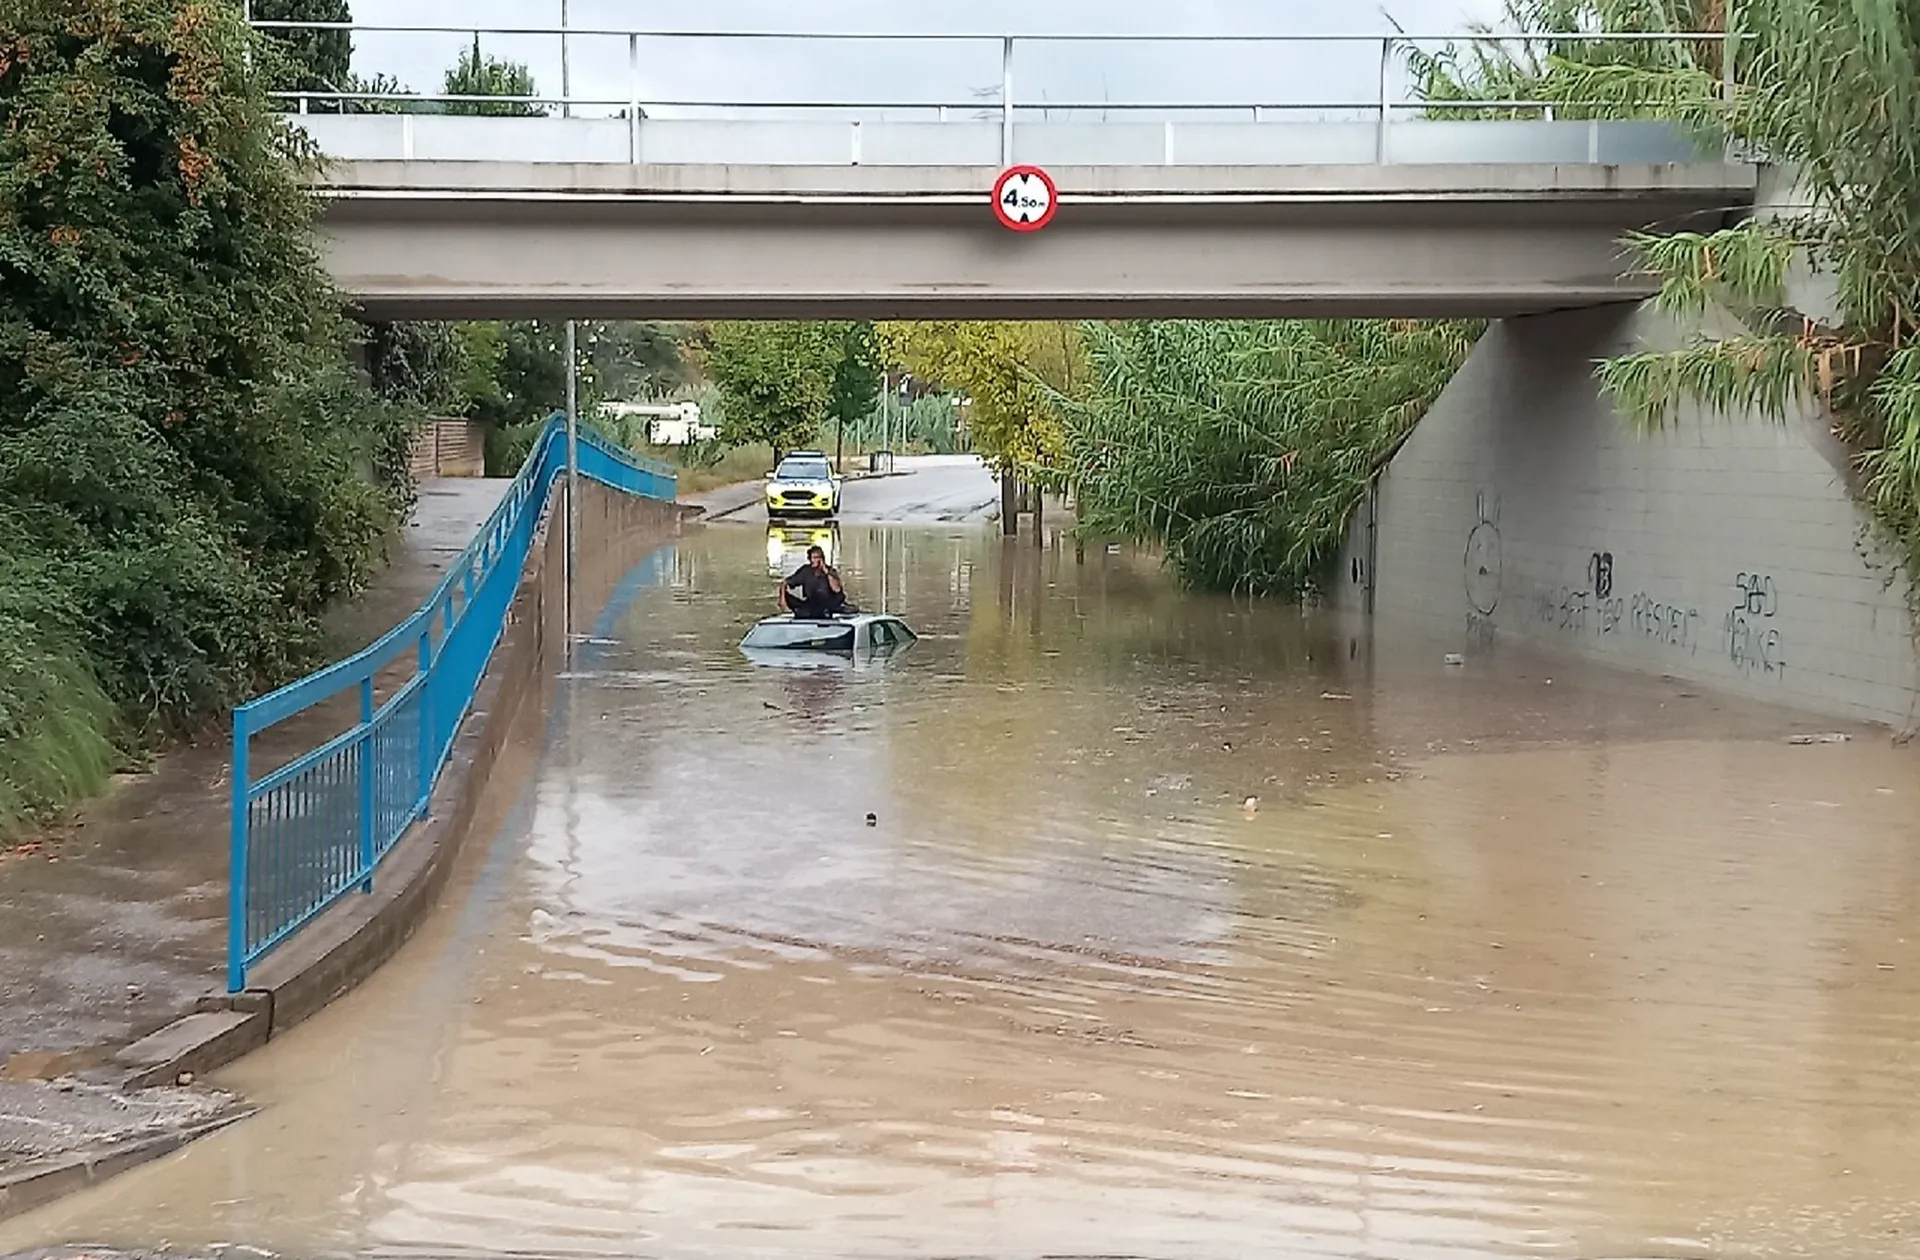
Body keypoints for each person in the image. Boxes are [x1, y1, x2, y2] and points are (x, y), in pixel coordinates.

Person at [779, 545, 851, 618]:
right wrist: (782, 600)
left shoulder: (831, 571)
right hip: (811, 603)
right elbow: (785, 582)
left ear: (821, 559)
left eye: (815, 558)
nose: (812, 560)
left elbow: (837, 589)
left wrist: (825, 571)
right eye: (811, 558)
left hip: (828, 603)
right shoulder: (806, 570)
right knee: (794, 601)